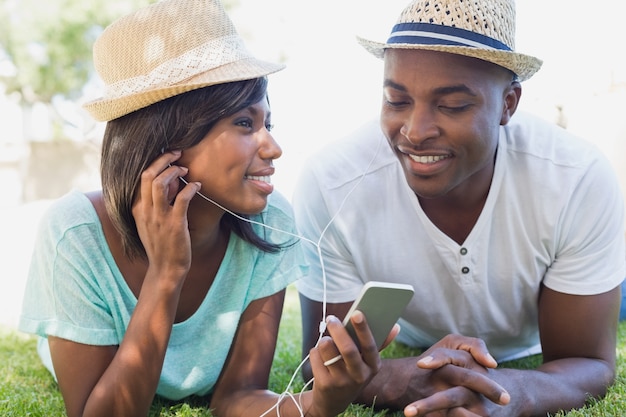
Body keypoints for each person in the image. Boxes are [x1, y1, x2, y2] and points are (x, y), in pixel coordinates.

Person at [17, 1, 395, 416]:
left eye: (268, 123)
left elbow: (237, 398)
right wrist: (166, 274)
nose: (273, 147)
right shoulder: (76, 233)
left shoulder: (271, 224)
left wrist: (321, 402)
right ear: (166, 143)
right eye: (245, 124)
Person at [293, 0, 626, 416]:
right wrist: (408, 377)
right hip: (420, 337)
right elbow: (323, 365)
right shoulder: (331, 183)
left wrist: (502, 395)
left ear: (508, 104)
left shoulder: (577, 178)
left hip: (543, 316)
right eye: (396, 100)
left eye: (451, 106)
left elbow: (591, 364)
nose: (414, 132)